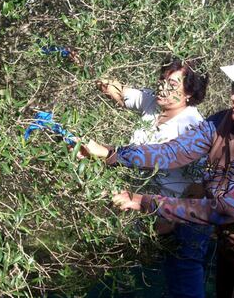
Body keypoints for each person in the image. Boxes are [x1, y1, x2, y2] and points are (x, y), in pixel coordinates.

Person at [81, 50, 234, 298]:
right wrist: (111, 153)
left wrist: (144, 202)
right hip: (230, 251)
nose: (233, 97)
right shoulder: (223, 122)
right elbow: (171, 152)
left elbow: (222, 209)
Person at [90, 57, 213, 298]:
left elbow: (198, 188)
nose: (163, 88)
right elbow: (117, 91)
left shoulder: (192, 127)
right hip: (149, 208)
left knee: (184, 281)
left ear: (189, 92)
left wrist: (171, 221)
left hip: (182, 217)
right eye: (162, 80)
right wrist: (84, 65)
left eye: (173, 84)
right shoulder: (152, 103)